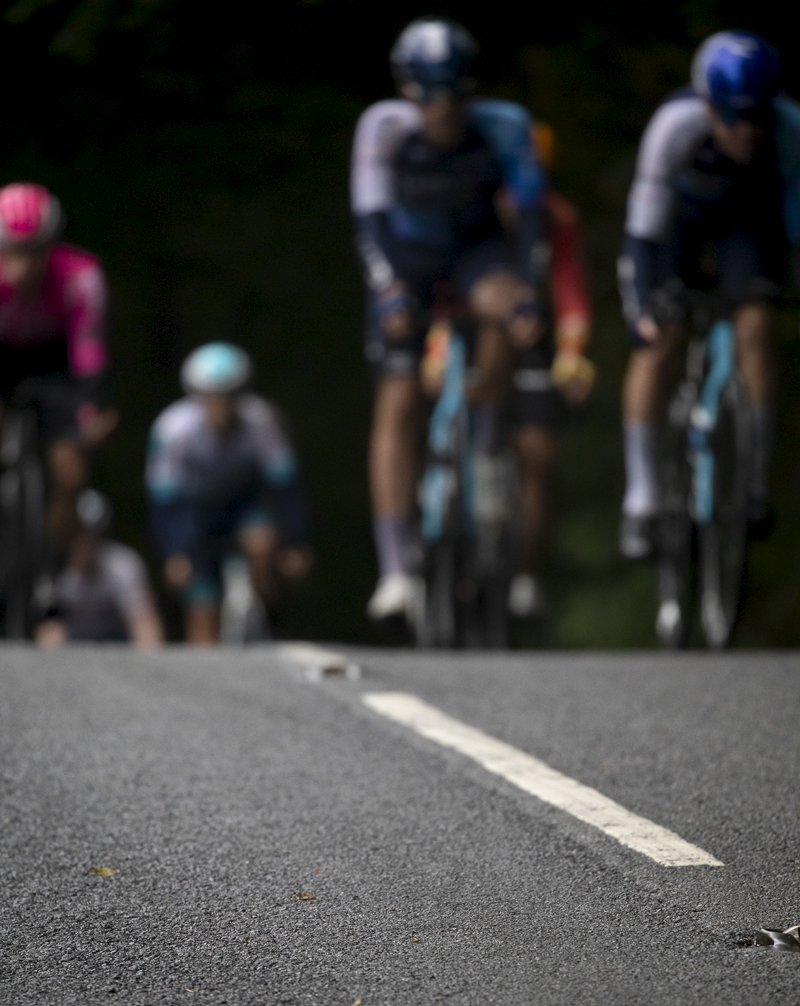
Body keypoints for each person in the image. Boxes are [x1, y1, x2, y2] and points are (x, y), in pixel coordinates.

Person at [352, 17, 593, 623]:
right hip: (407, 257)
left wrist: (529, 297)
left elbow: (533, 219)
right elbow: (370, 219)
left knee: (507, 307)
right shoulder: (384, 128)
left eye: (454, 94)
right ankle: (396, 569)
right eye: (428, 95)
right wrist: (387, 291)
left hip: (477, 254)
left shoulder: (505, 126)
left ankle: (487, 443)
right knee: (399, 400)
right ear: (408, 91)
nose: (442, 109)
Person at [617, 30, 800, 558]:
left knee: (756, 327)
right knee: (660, 337)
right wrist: (641, 308)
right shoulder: (676, 126)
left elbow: (793, 219)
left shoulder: (788, 129)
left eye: (756, 118)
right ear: (709, 105)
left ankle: (755, 484)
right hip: (679, 224)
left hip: (749, 223)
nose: (746, 133)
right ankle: (643, 497)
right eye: (732, 118)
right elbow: (643, 233)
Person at [146, 342, 312, 645]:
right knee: (201, 612)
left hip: (246, 505)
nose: (221, 405)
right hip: (196, 515)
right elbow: (163, 499)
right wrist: (174, 553)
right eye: (212, 397)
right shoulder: (172, 430)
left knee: (261, 544)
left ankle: (273, 619)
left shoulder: (261, 421)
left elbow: (285, 485)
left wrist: (294, 541)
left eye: (230, 395)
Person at [0, 183, 117, 553]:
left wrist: (91, 408)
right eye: (13, 253)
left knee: (72, 473)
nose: (24, 266)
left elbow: (89, 350)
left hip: (56, 363)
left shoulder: (80, 275)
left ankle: (49, 564)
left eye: (35, 253)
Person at [35, 489, 163, 647]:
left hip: (119, 646)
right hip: (74, 649)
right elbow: (49, 634)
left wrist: (147, 668)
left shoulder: (124, 565)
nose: (86, 539)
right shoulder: (53, 573)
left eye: (93, 532)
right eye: (79, 532)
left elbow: (146, 627)